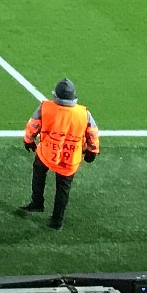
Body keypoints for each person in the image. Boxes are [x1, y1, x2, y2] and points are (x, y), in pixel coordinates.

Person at [21, 77, 99, 229]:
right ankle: (57, 220)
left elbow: (33, 125)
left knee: (38, 173)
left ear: (55, 95)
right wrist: (92, 150)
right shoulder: (83, 113)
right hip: (70, 158)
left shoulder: (46, 108)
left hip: (47, 153)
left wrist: (28, 140)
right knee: (63, 189)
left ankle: (37, 202)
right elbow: (93, 132)